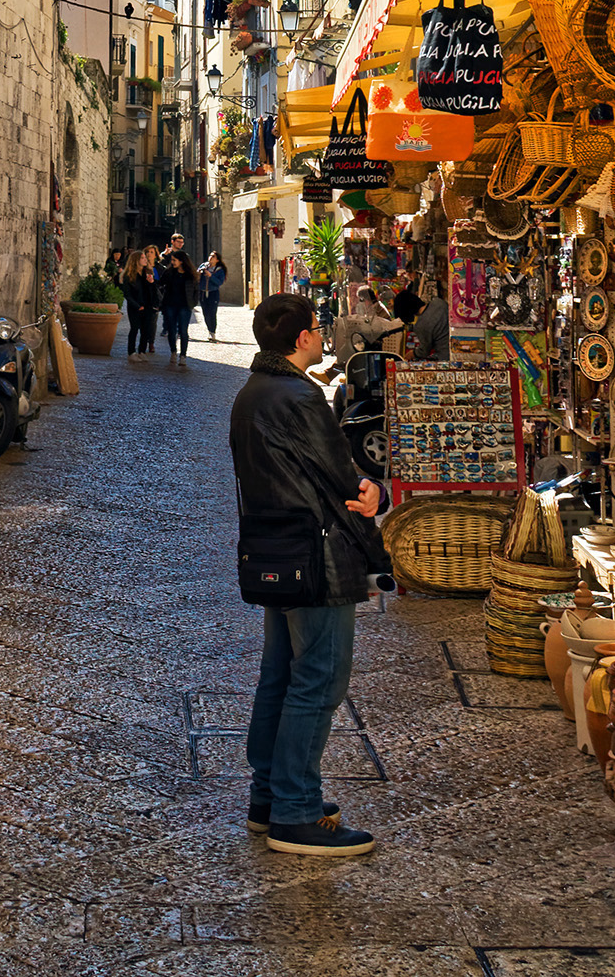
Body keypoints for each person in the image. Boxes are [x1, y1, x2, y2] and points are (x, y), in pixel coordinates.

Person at [230, 293, 386, 857]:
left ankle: (269, 796)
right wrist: (373, 491)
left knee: (280, 673)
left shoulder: (252, 392)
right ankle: (295, 810)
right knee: (319, 677)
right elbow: (343, 478)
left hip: (276, 551)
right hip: (316, 556)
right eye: (317, 329)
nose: (322, 337)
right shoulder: (300, 396)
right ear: (301, 339)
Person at [331, 285, 403, 368]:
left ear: (366, 299)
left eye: (361, 299)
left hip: (380, 339)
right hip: (375, 337)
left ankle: (337, 368)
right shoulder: (373, 307)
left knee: (352, 346)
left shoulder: (376, 308)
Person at [158, 247, 197, 367]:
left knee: (183, 331)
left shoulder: (190, 274)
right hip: (170, 305)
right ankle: (173, 352)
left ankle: (183, 355)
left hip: (185, 306)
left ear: (181, 261)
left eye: (174, 260)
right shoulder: (169, 272)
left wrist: (193, 303)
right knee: (171, 330)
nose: (172, 262)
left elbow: (196, 290)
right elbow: (160, 284)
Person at [411, 275, 449, 362]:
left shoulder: (421, 324)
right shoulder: (438, 302)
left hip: (445, 357)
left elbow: (424, 351)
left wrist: (413, 353)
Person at [198, 251, 228, 340]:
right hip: (203, 293)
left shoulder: (219, 270)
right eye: (210, 255)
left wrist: (211, 276)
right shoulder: (203, 266)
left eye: (213, 256)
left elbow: (219, 282)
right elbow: (196, 276)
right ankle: (209, 330)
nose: (210, 257)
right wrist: (199, 273)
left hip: (213, 293)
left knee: (212, 313)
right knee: (205, 313)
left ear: (217, 260)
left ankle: (212, 332)